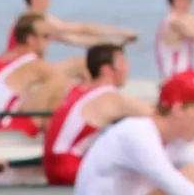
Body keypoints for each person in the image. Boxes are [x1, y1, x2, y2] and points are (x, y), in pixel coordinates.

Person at [44, 44, 146, 185]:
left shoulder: (76, 89)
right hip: (70, 168)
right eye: (122, 63)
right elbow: (158, 117)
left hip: (50, 165)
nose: (127, 68)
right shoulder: (109, 96)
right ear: (106, 70)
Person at [0, 15, 79, 134]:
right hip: (1, 129)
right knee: (59, 83)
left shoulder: (2, 58)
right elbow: (70, 87)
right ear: (31, 39)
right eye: (45, 37)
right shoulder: (32, 64)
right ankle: (55, 137)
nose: (49, 41)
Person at [21, 0, 134, 49]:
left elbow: (72, 39)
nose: (49, 1)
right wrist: (121, 32)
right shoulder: (36, 20)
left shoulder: (37, 21)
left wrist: (112, 41)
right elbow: (82, 29)